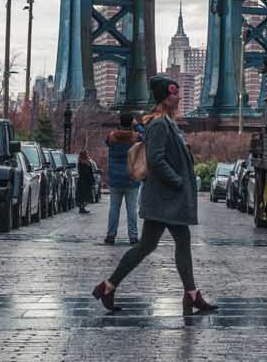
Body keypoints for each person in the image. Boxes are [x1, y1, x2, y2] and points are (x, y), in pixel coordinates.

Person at [92, 76, 217, 315]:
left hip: (164, 198)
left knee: (150, 246)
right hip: (165, 198)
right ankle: (190, 294)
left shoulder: (167, 122)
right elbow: (156, 159)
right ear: (164, 98)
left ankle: (109, 286)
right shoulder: (160, 124)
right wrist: (177, 181)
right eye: (174, 94)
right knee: (169, 243)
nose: (179, 97)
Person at [104, 111, 142, 245]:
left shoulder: (112, 136)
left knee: (114, 208)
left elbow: (107, 142)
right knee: (132, 209)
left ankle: (111, 235)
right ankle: (133, 236)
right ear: (131, 122)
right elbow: (148, 138)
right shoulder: (136, 137)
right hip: (131, 178)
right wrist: (137, 126)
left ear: (120, 123)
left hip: (115, 178)